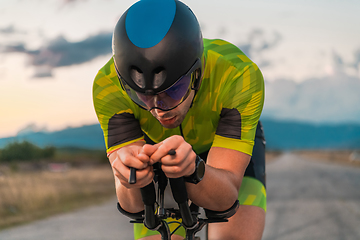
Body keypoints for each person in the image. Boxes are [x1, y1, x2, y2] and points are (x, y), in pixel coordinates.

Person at [92, 0, 266, 239]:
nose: (157, 109)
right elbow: (133, 207)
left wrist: (193, 169)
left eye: (173, 91)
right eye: (142, 95)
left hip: (222, 147)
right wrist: (129, 179)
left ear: (197, 73)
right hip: (157, 151)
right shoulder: (107, 86)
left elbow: (225, 197)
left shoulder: (239, 75)